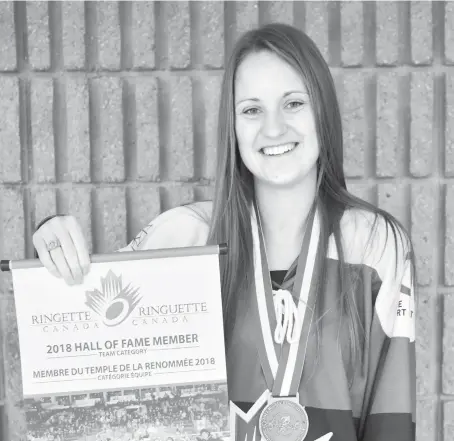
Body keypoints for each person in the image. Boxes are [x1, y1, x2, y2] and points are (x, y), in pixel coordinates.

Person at [32, 23, 416, 441]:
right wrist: (52, 242)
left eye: (293, 103)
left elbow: (391, 419)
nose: (273, 129)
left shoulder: (374, 243)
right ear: (232, 126)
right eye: (252, 110)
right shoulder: (184, 236)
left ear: (322, 109)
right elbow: (85, 339)